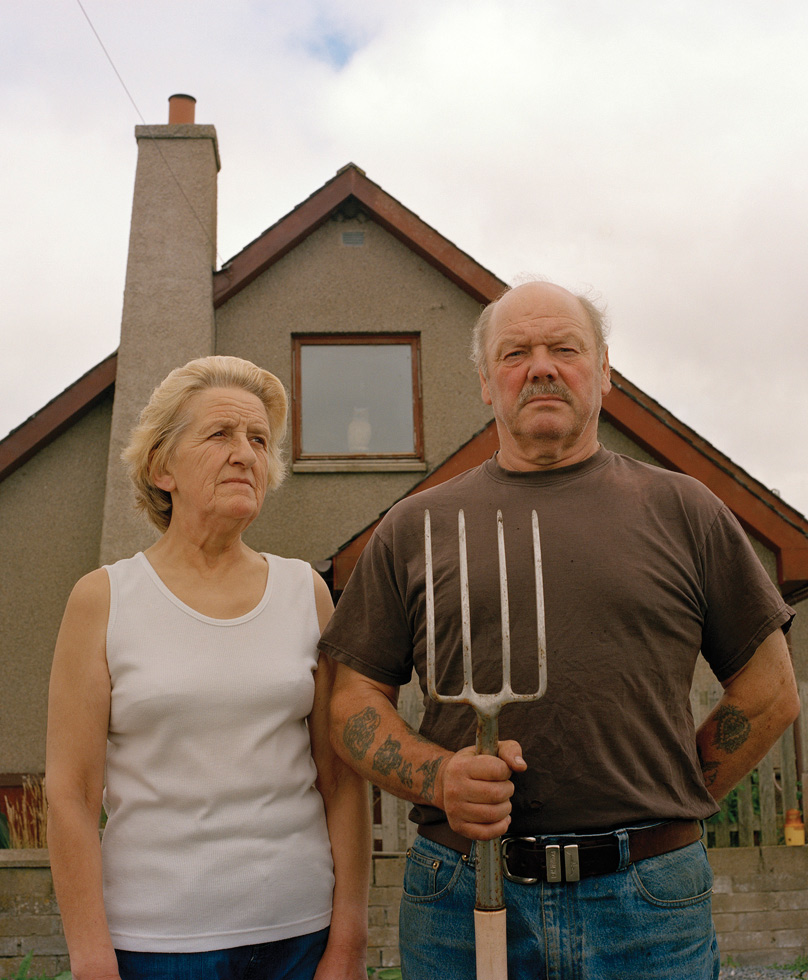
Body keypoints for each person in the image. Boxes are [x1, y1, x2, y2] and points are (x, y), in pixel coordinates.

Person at [320, 281, 800, 979]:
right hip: (463, 891)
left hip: (649, 901)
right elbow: (351, 699)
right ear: (487, 383)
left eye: (564, 349)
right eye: (515, 353)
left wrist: (672, 793)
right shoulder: (416, 527)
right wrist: (440, 777)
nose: (541, 367)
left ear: (603, 369)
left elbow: (770, 691)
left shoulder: (682, 509)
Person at [46, 355, 369, 980]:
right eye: (220, 435)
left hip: (301, 937)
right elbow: (71, 794)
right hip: (156, 945)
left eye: (258, 440)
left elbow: (341, 779)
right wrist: (91, 961)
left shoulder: (307, 593)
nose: (246, 454)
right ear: (162, 467)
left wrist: (350, 940)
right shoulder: (103, 599)